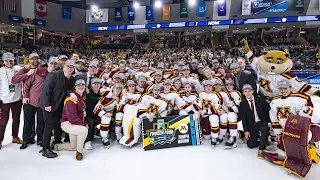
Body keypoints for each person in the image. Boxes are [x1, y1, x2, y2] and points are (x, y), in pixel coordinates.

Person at [39, 59, 75, 158]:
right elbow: (46, 89)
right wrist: (47, 104)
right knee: (49, 126)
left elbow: (66, 90)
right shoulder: (54, 74)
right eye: (68, 66)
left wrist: (70, 93)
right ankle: (45, 149)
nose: (70, 68)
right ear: (64, 66)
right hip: (49, 105)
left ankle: (57, 141)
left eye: (72, 67)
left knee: (58, 125)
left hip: (59, 106)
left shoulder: (71, 78)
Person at [53, 79, 88, 161]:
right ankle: (79, 153)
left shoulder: (81, 98)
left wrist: (83, 122)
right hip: (67, 124)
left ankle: (55, 146)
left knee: (73, 147)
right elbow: (72, 118)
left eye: (82, 85)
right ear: (75, 87)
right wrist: (84, 124)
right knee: (84, 130)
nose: (80, 87)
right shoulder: (71, 99)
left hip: (75, 123)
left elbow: (81, 114)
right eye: (78, 85)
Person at [239, 84, 270, 157]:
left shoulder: (260, 99)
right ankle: (261, 139)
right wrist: (246, 131)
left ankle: (262, 148)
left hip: (262, 122)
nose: (247, 93)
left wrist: (269, 122)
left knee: (264, 129)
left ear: (252, 91)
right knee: (250, 145)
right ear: (243, 93)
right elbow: (244, 118)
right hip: (252, 125)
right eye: (245, 91)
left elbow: (267, 111)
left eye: (249, 91)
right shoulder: (243, 103)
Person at [0, 52, 23, 149]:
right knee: (3, 121)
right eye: (7, 61)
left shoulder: (18, 69)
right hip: (4, 100)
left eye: (11, 60)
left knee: (16, 119)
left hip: (17, 99)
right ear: (3, 61)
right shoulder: (0, 71)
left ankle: (15, 136)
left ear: (14, 60)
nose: (9, 62)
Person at [85, 78, 102, 150]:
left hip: (97, 115)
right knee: (91, 122)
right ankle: (87, 141)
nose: (96, 85)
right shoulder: (88, 93)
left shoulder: (102, 93)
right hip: (88, 115)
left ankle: (101, 134)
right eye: (94, 84)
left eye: (98, 84)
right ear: (91, 85)